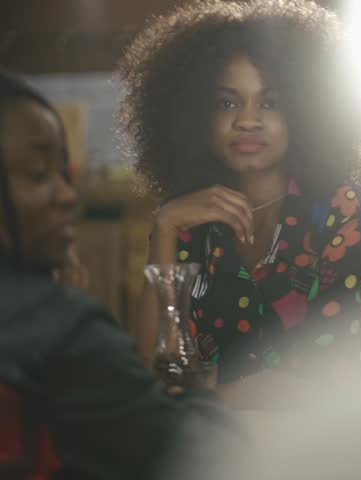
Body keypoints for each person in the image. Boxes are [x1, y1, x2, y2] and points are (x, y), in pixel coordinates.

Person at [118, 0, 361, 398]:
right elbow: (155, 372)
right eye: (227, 102)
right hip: (206, 452)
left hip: (319, 452)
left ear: (307, 111)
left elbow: (333, 375)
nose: (247, 120)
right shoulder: (187, 223)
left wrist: (204, 392)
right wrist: (165, 228)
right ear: (196, 114)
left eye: (270, 102)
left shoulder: (345, 212)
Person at [0, 71, 247, 479]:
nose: (67, 195)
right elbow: (210, 455)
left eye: (64, 172)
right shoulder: (64, 327)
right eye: (39, 175)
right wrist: (203, 393)